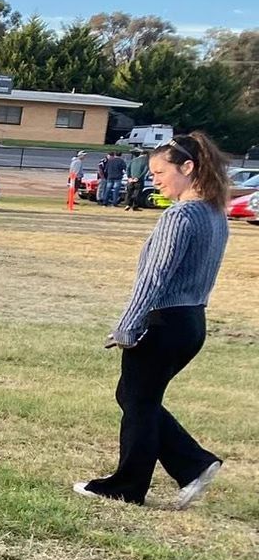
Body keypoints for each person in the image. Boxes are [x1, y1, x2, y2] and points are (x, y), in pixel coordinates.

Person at [74, 132, 230, 507]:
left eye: (161, 171)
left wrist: (129, 323)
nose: (154, 178)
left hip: (164, 322)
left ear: (188, 168)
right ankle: (194, 464)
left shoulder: (181, 215)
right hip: (192, 322)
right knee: (134, 395)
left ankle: (128, 486)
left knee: (139, 402)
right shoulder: (214, 213)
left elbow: (154, 278)